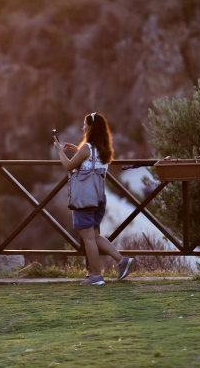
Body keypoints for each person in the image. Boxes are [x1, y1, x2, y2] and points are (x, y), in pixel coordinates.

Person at [53, 112, 134, 285]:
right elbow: (91, 162)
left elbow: (68, 166)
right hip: (98, 199)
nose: (83, 128)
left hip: (84, 199)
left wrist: (60, 150)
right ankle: (122, 261)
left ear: (90, 128)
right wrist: (77, 150)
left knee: (88, 238)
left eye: (85, 125)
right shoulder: (104, 150)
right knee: (95, 236)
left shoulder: (87, 148)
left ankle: (96, 276)